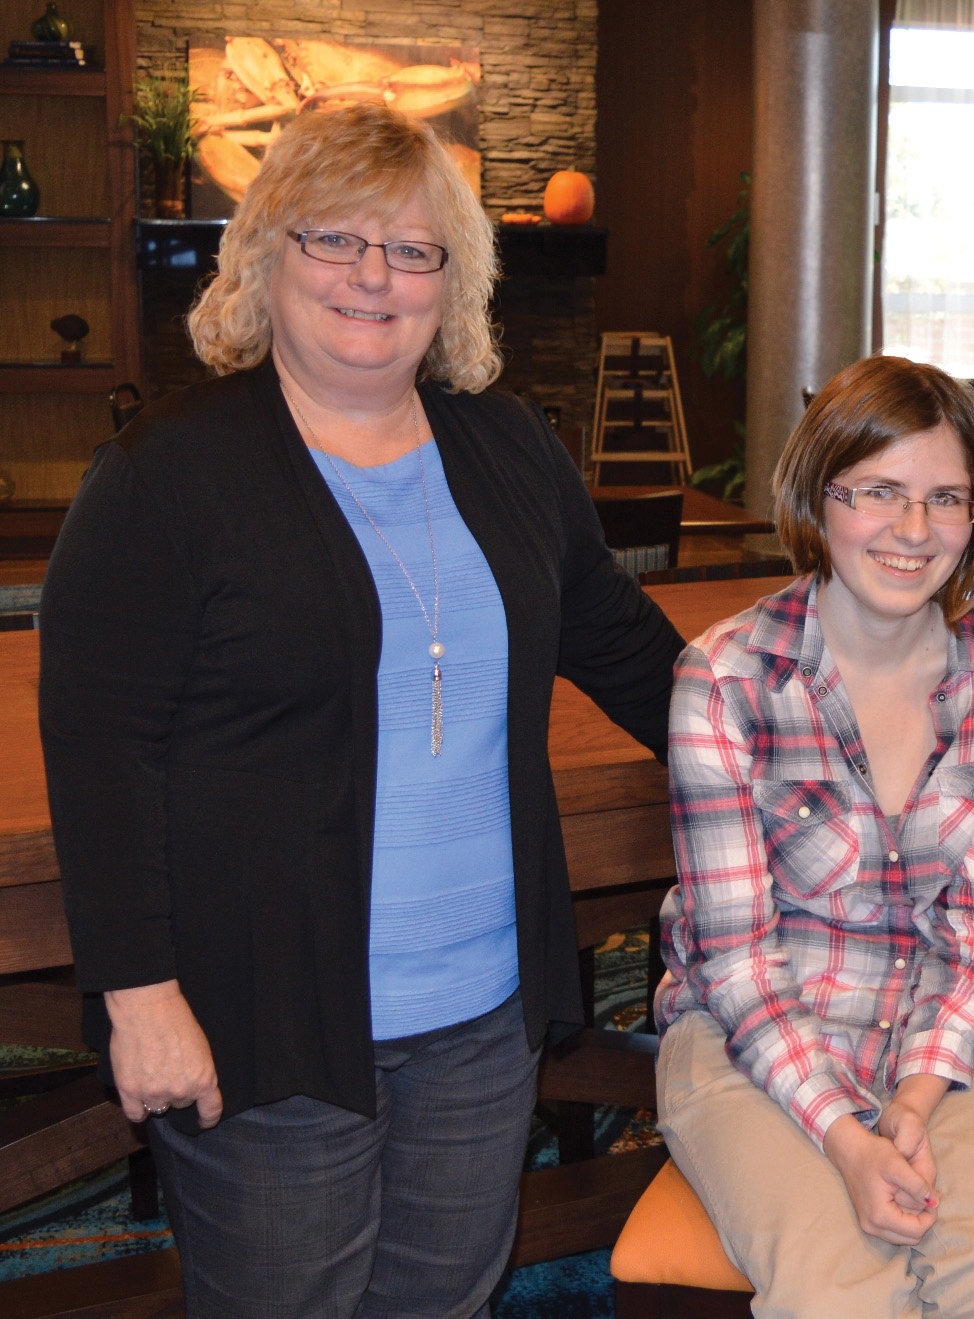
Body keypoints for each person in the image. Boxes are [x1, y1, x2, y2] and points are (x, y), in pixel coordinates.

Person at [38, 104, 685, 1316]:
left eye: (413, 248)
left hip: (483, 1014)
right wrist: (139, 995)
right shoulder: (166, 473)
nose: (374, 277)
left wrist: (808, 734)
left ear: (453, 279)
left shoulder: (508, 447)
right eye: (336, 240)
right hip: (262, 1023)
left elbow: (627, 647)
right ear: (267, 255)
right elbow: (99, 752)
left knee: (446, 1299)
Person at [653, 354, 974, 1318]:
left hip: (943, 1027)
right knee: (841, 1295)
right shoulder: (727, 677)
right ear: (819, 499)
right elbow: (734, 959)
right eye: (879, 493)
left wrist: (916, 1096)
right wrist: (848, 1137)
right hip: (751, 1035)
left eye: (946, 497)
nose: (913, 530)